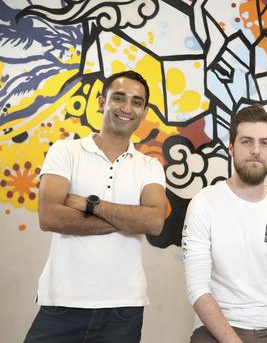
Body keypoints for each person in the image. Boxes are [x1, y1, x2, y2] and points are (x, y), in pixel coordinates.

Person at [24, 70, 167, 343]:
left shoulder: (150, 167)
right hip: (62, 302)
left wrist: (87, 204)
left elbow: (154, 223)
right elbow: (50, 216)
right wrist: (127, 219)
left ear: (145, 111)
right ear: (102, 102)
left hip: (123, 309)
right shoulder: (65, 151)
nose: (127, 108)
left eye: (137, 102)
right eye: (119, 98)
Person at [182, 104, 267, 343]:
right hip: (216, 330)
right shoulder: (203, 204)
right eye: (247, 141)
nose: (256, 150)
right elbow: (197, 287)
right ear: (231, 148)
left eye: (265, 143)